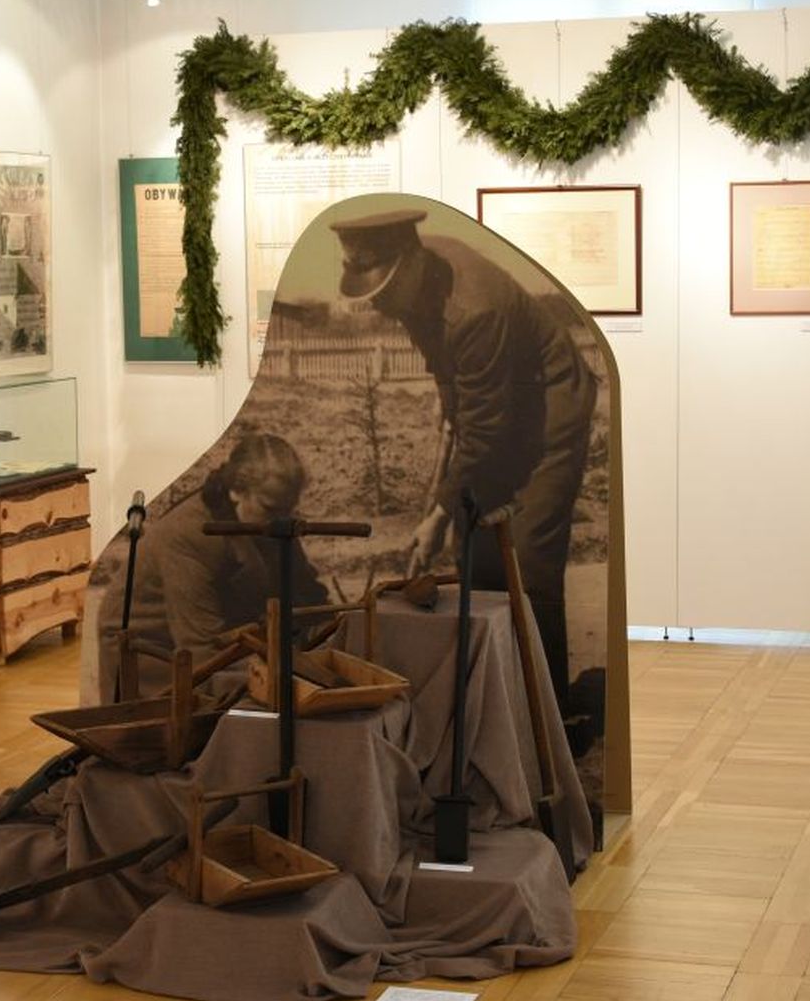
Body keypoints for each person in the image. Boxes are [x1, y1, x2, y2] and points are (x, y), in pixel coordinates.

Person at [330, 207, 596, 703]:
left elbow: (485, 434)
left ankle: (546, 711)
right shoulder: (412, 283)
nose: (380, 304)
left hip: (548, 409)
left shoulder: (476, 309)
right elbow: (450, 371)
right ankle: (496, 698)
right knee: (473, 549)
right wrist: (449, 402)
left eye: (382, 290)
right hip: (497, 404)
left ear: (408, 261)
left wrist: (437, 513)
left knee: (525, 560)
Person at [95, 432, 327, 698]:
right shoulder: (191, 536)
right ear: (237, 491)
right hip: (150, 646)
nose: (282, 520)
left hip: (215, 635)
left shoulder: (269, 517)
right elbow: (201, 650)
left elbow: (307, 594)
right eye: (270, 508)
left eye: (289, 510)